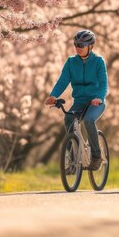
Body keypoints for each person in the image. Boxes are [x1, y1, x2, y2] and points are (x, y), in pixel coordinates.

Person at [45, 30, 108, 170]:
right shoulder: (71, 62)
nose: (78, 47)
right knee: (68, 119)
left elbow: (103, 83)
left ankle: (96, 156)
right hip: (79, 101)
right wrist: (53, 95)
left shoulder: (98, 61)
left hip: (96, 102)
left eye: (81, 45)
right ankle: (74, 158)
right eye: (76, 44)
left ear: (90, 46)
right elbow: (63, 81)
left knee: (88, 120)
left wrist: (99, 97)